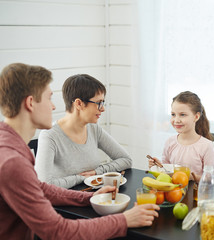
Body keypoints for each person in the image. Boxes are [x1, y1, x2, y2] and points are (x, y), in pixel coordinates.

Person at [0, 63, 159, 239]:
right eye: (49, 98)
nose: (53, 107)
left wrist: (87, 198)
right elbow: (57, 231)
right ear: (30, 103)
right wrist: (124, 220)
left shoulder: (11, 146)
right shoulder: (12, 161)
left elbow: (41, 187)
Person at [34, 74, 132, 189]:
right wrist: (81, 178)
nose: (103, 108)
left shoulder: (93, 129)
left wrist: (97, 172)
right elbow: (43, 185)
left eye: (103, 102)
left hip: (94, 196)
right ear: (79, 104)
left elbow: (126, 160)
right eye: (98, 103)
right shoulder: (50, 136)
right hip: (64, 203)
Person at [148, 91, 214, 179]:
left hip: (195, 191)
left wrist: (186, 176)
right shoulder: (170, 142)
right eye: (173, 114)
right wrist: (157, 166)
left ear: (196, 117)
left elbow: (210, 179)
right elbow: (166, 172)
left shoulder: (206, 146)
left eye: (182, 115)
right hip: (173, 191)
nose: (176, 120)